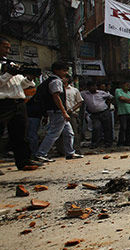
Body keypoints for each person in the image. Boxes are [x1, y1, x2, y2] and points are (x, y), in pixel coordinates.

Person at [0, 36, 38, 170]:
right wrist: (8, 74)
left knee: (20, 134)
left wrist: (28, 78)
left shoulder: (11, 64)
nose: (7, 50)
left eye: (9, 47)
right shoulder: (5, 67)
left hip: (18, 103)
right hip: (3, 103)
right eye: (5, 47)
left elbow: (22, 84)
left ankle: (24, 162)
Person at [33, 61, 82, 162]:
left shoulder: (51, 80)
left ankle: (70, 152)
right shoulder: (56, 81)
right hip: (57, 111)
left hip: (57, 111)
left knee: (69, 133)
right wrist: (64, 111)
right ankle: (41, 153)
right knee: (54, 133)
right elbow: (56, 97)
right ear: (57, 70)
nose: (65, 73)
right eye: (64, 71)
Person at [81, 80, 113, 148]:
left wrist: (108, 104)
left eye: (95, 86)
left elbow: (110, 97)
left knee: (107, 128)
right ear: (88, 87)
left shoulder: (101, 93)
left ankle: (108, 142)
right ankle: (95, 143)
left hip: (104, 111)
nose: (94, 88)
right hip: (95, 114)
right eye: (92, 86)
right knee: (96, 128)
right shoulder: (84, 94)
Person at [64, 78, 84, 152]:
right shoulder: (57, 90)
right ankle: (62, 150)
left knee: (74, 132)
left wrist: (72, 109)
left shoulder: (74, 90)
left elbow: (80, 102)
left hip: (72, 113)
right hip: (61, 113)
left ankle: (76, 149)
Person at [114, 81, 130, 147]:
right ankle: (120, 142)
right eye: (127, 84)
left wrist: (125, 100)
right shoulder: (118, 90)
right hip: (122, 112)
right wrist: (129, 100)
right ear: (122, 85)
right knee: (123, 128)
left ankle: (128, 141)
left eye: (129, 85)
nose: (128, 86)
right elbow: (120, 98)